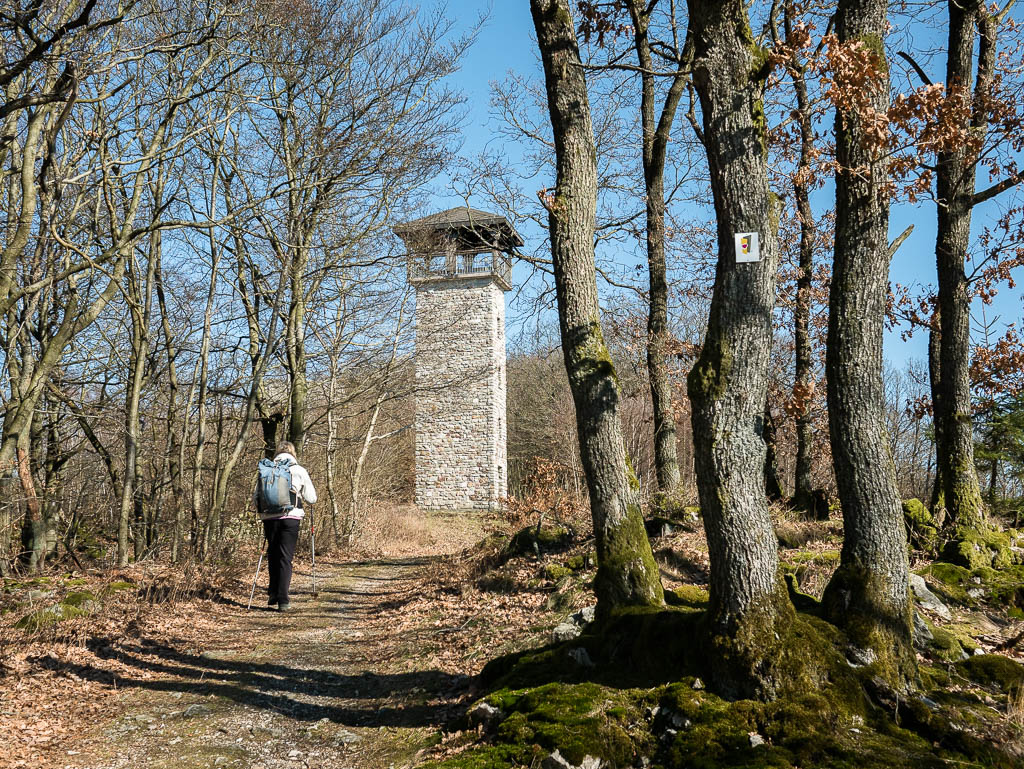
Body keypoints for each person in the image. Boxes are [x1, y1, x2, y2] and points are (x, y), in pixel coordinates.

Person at [254, 441, 317, 612]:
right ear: (293, 453)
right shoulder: (298, 470)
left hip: (269, 518)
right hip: (291, 518)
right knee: (285, 557)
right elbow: (312, 498)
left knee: (273, 554)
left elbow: (256, 496)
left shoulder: (266, 470)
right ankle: (283, 599)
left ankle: (273, 593)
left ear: (276, 454)